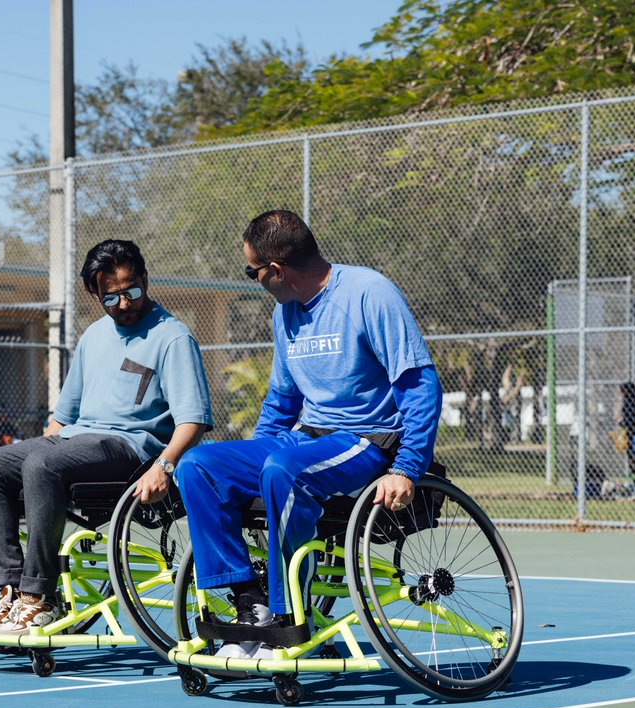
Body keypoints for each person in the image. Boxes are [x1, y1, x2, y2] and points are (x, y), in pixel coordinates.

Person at [175, 210, 442, 658]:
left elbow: (419, 384)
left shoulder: (369, 294)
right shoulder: (285, 314)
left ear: (276, 270)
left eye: (252, 271)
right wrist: (254, 459)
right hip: (305, 438)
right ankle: (250, 607)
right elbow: (281, 400)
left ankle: (289, 618)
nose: (253, 280)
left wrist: (408, 468)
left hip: (368, 440)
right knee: (200, 466)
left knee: (284, 470)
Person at [0, 239, 213, 634]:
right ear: (94, 294)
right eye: (111, 298)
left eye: (132, 291)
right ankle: (10, 593)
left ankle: (39, 598)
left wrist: (165, 465)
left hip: (129, 449)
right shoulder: (94, 336)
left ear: (146, 280)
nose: (125, 304)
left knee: (41, 464)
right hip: (76, 443)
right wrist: (35, 459)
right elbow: (62, 420)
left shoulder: (173, 337)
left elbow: (193, 420)